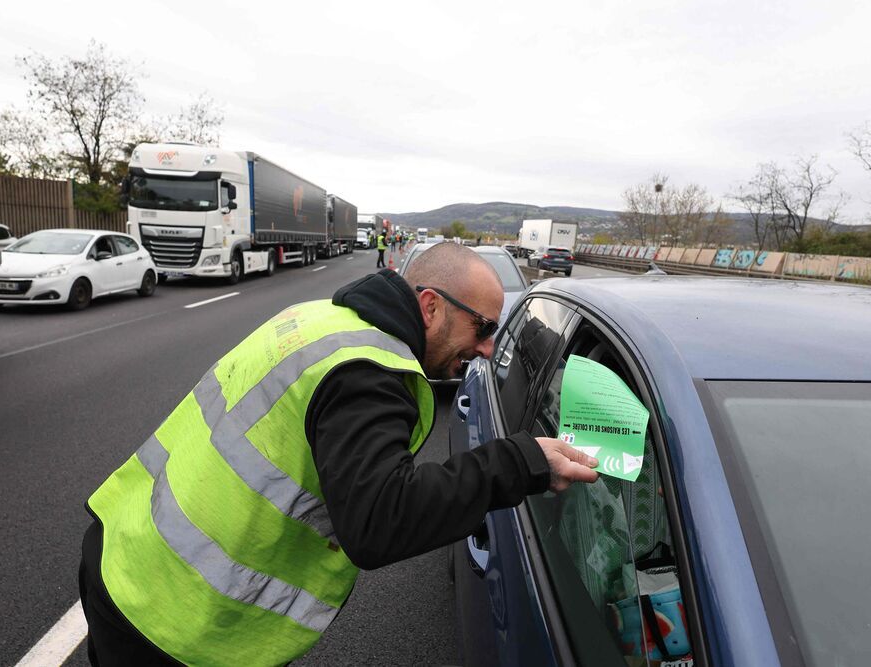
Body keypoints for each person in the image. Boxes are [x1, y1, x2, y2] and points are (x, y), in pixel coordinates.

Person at [77, 243, 599, 666]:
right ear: (431, 306)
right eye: (483, 328)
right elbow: (379, 521)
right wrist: (521, 461)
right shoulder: (369, 372)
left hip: (125, 556)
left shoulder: (322, 319)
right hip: (174, 622)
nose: (487, 350)